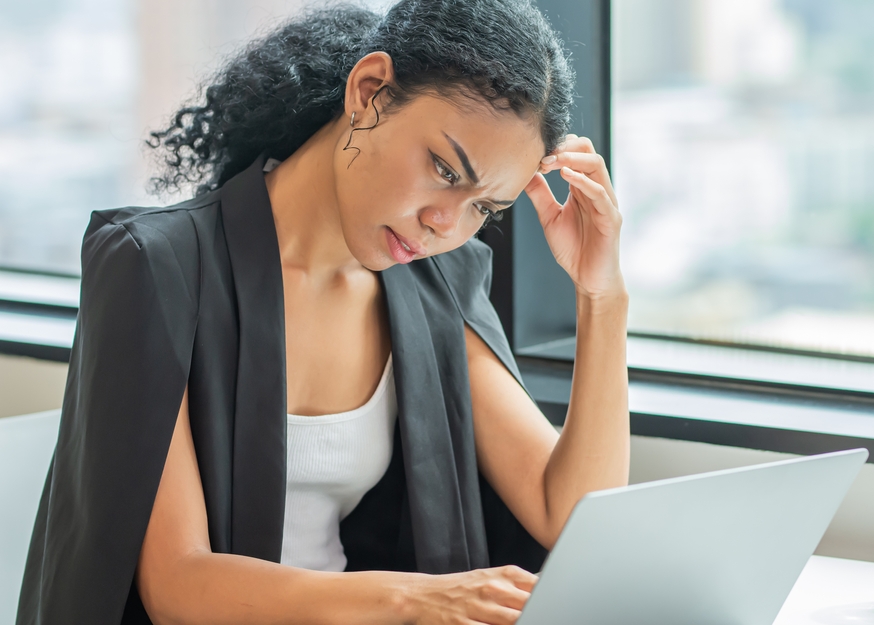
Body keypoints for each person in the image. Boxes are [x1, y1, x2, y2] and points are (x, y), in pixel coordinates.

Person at [17, 1, 628, 623]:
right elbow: (177, 585)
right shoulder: (159, 267)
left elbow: (572, 512)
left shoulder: (434, 282)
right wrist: (415, 600)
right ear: (369, 93)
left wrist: (602, 295)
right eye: (444, 169)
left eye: (484, 208)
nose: (447, 223)